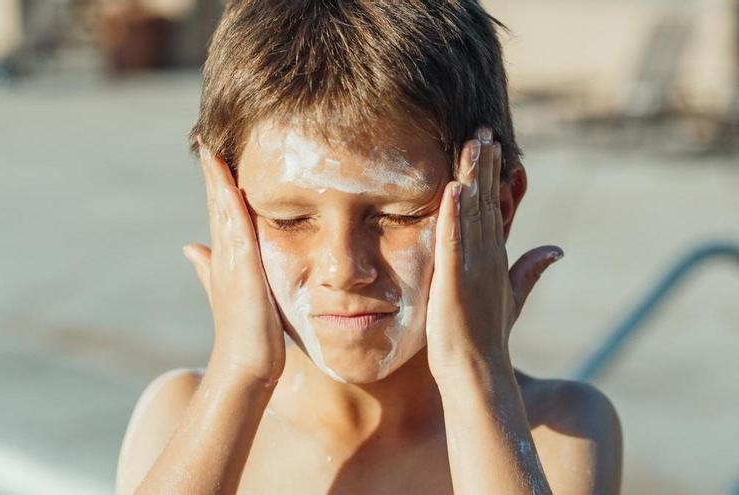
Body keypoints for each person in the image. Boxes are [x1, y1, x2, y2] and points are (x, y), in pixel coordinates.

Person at [115, 1, 623, 493]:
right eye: (289, 220)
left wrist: (474, 374)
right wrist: (240, 374)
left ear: (498, 209)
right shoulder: (181, 416)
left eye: (396, 215)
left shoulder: (559, 430)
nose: (343, 267)